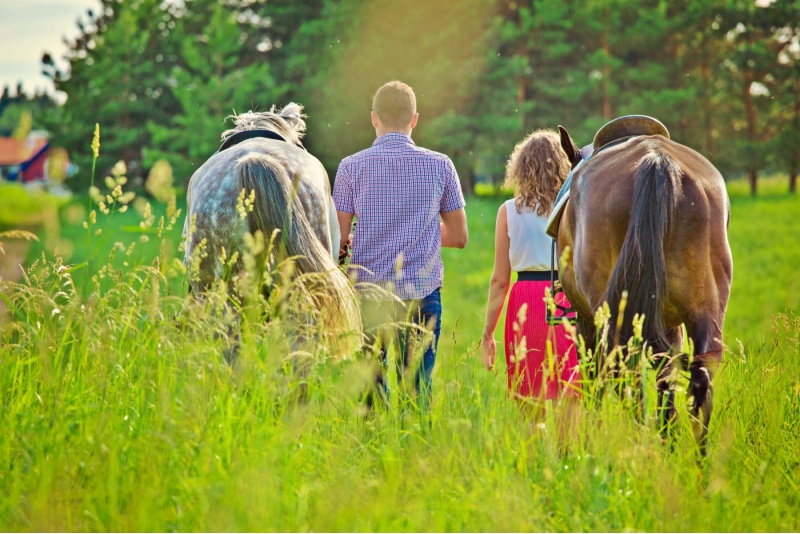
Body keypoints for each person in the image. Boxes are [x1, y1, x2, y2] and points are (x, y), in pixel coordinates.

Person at [333, 80, 468, 410]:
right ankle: (415, 456)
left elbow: (337, 241)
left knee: (371, 389)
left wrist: (359, 238)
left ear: (374, 118)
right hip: (421, 294)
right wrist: (417, 230)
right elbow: (459, 237)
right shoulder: (441, 165)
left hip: (367, 296)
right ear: (415, 119)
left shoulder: (351, 166)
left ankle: (375, 454)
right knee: (418, 388)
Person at [480, 129, 581, 420]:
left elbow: (500, 280)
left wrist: (488, 332)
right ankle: (568, 460)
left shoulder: (508, 211)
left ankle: (534, 460)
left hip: (526, 301)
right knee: (569, 392)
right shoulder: (573, 206)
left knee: (529, 393)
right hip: (566, 296)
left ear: (520, 168)